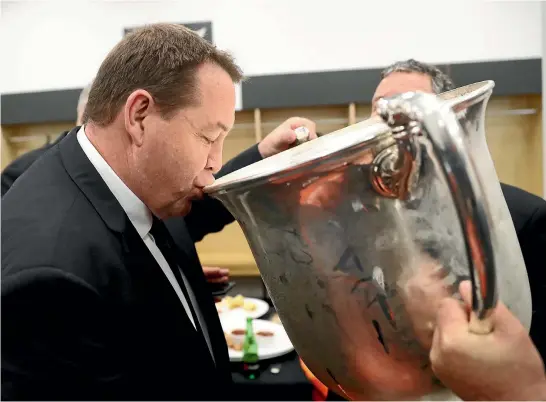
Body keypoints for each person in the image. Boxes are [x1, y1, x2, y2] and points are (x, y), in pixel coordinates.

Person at [1, 23, 316, 401]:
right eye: (208, 137)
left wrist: (262, 157)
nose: (214, 162)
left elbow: (189, 216)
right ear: (139, 116)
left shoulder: (128, 182)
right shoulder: (50, 279)